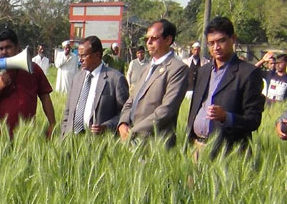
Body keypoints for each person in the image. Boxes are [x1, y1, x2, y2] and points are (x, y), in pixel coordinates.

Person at [186, 16, 265, 157]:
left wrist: (225, 117)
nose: (216, 47)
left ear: (233, 39)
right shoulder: (203, 71)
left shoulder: (248, 73)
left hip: (227, 152)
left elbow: (253, 121)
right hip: (196, 148)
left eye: (221, 41)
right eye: (211, 43)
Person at [118, 19, 188, 147]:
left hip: (155, 142)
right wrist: (122, 124)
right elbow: (131, 100)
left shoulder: (177, 69)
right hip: (131, 139)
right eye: (147, 39)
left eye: (154, 38)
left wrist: (134, 131)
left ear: (168, 40)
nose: (149, 42)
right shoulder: (146, 67)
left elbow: (167, 109)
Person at [0, 29, 56, 137]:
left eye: (8, 47)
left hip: (29, 134)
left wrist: (52, 124)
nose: (4, 52)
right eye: (1, 48)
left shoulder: (34, 69)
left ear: (18, 48)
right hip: (3, 135)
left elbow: (45, 97)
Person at [61, 36, 129, 137]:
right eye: (79, 56)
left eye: (83, 56)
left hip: (99, 142)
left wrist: (107, 127)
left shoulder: (115, 79)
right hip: (72, 140)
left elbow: (125, 113)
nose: (80, 60)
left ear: (97, 55)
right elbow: (68, 112)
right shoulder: (77, 78)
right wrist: (63, 137)